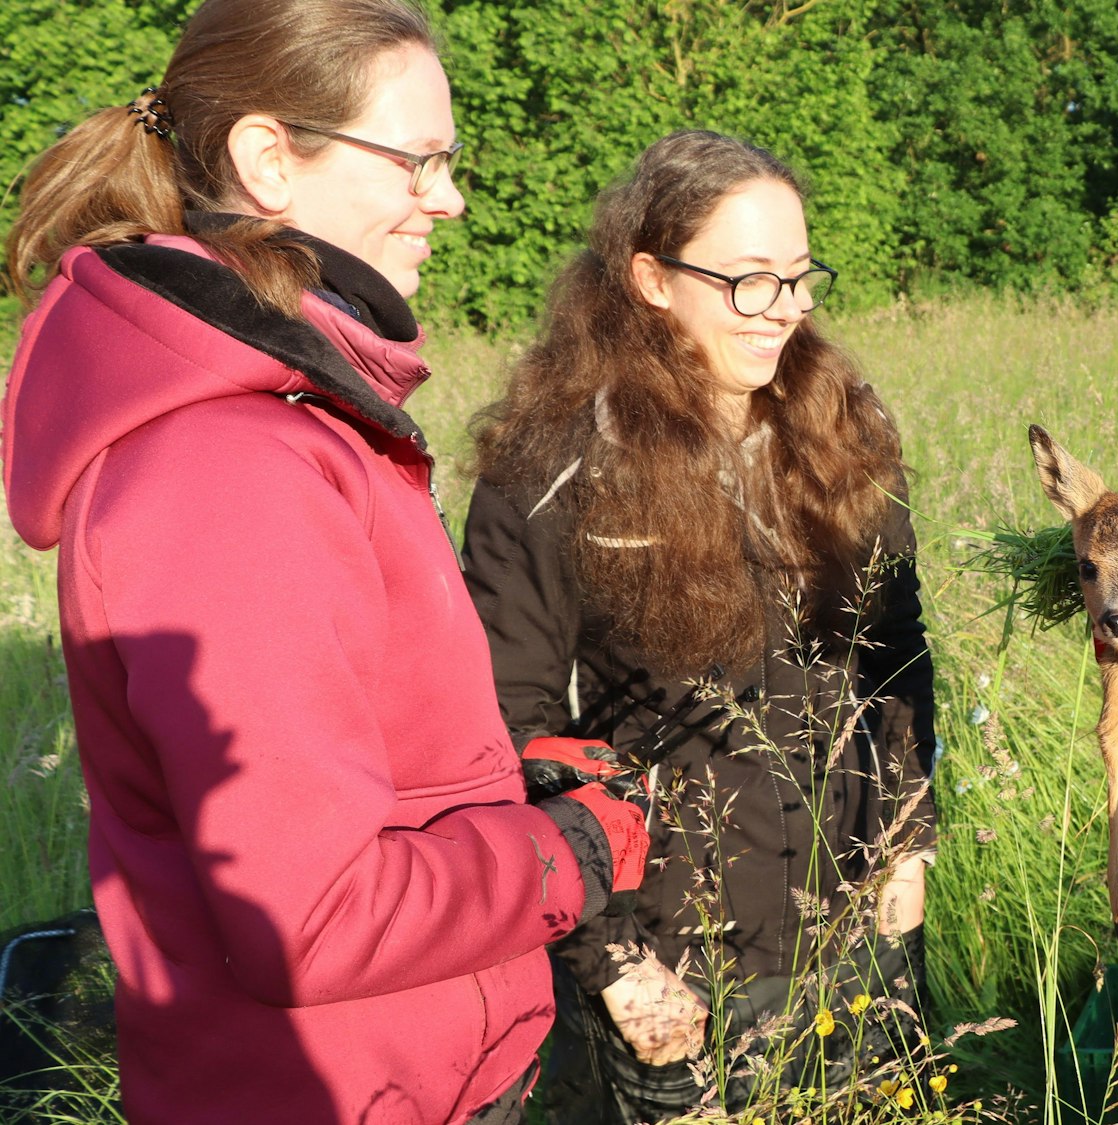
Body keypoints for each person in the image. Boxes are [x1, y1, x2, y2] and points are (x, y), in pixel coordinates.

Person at [0, 2, 653, 1122]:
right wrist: (572, 850)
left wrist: (496, 791)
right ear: (268, 159)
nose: (449, 199)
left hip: (414, 1068)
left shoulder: (293, 423)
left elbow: (338, 762)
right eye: (418, 161)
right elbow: (314, 917)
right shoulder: (228, 470)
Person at [461, 129, 939, 1123]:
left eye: (799, 279)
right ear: (651, 279)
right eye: (750, 281)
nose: (785, 310)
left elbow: (896, 651)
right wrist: (612, 962)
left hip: (861, 930)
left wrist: (910, 845)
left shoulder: (844, 431)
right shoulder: (552, 466)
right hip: (676, 969)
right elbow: (508, 731)